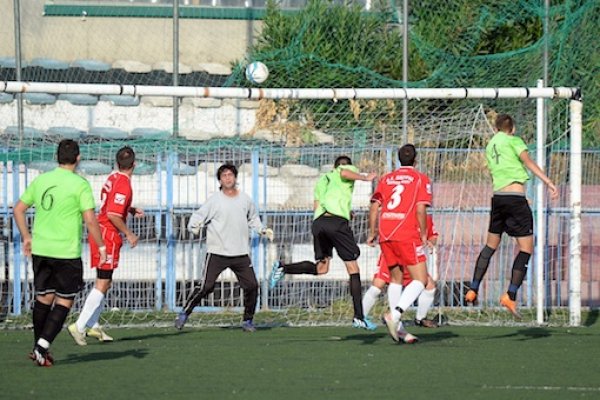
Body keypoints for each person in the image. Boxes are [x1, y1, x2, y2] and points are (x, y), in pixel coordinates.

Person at [13, 139, 106, 367]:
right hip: (66, 252)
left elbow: (18, 209)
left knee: (43, 298)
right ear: (78, 158)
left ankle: (39, 349)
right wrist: (101, 246)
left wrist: (26, 236)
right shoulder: (80, 184)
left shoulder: (42, 180)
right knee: (64, 300)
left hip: (41, 250)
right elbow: (90, 220)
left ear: (57, 157)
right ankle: (42, 347)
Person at [465, 114, 558, 318]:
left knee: (490, 245)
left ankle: (473, 288)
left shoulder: (491, 145)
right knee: (526, 248)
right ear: (512, 127)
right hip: (515, 200)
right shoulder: (514, 141)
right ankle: (511, 295)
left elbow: (497, 172)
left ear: (496, 127)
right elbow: (528, 162)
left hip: (498, 198)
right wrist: (549, 182)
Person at [269, 155, 377, 330]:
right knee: (353, 268)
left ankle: (283, 268)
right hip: (336, 223)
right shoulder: (344, 170)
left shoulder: (322, 180)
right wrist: (364, 177)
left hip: (319, 223)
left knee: (321, 268)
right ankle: (359, 316)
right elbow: (344, 173)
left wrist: (344, 212)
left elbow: (318, 205)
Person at [175, 163, 273, 332]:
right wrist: (194, 226)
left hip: (240, 253)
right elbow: (198, 216)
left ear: (235, 177)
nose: (227, 178)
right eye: (224, 176)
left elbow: (253, 219)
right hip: (217, 252)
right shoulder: (215, 200)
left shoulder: (245, 199)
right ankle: (184, 313)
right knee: (206, 286)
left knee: (252, 286)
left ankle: (248, 320)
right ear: (220, 180)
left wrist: (262, 230)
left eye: (230, 175)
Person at [68, 146, 144, 346]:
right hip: (107, 235)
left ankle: (92, 324)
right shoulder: (124, 184)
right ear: (134, 164)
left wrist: (129, 209)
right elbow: (112, 214)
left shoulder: (113, 177)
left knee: (105, 281)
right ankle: (79, 326)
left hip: (101, 232)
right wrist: (129, 233)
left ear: (117, 163)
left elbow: (112, 204)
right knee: (102, 282)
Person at [367, 144, 433, 342]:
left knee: (395, 278)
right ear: (415, 160)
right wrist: (424, 234)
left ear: (398, 159)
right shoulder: (420, 179)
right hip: (406, 232)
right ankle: (394, 315)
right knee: (421, 280)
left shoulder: (386, 179)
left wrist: (372, 232)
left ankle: (400, 329)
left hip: (386, 232)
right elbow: (420, 209)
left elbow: (374, 206)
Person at [362, 215, 439, 343]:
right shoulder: (403, 214)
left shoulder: (426, 218)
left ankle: (419, 319)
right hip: (395, 252)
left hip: (412, 258)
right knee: (378, 285)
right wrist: (374, 233)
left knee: (429, 285)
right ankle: (361, 317)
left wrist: (430, 242)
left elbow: (433, 236)